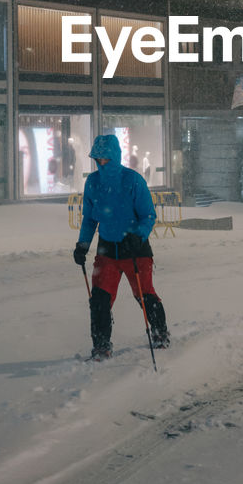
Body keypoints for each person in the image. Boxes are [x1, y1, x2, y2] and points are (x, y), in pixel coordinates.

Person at [73, 133, 169, 359]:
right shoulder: (93, 182)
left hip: (135, 250)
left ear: (115, 157)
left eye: (106, 158)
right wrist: (83, 245)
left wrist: (139, 235)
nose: (102, 163)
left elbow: (148, 215)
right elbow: (89, 218)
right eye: (98, 159)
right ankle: (101, 345)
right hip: (107, 251)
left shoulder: (133, 180)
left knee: (145, 295)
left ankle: (160, 333)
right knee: (99, 299)